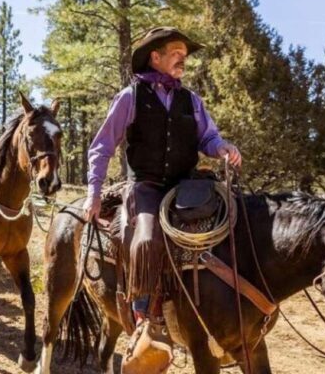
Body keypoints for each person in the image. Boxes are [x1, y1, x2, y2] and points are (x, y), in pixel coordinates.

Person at [82, 26, 242, 370]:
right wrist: (94, 192)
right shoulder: (131, 96)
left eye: (185, 55)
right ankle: (144, 324)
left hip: (187, 185)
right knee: (146, 240)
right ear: (155, 57)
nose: (183, 60)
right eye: (176, 53)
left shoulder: (191, 100)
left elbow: (208, 138)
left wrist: (222, 148)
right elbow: (102, 145)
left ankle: (217, 316)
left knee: (233, 224)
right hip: (147, 185)